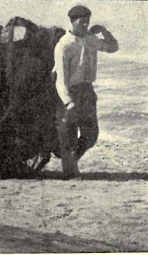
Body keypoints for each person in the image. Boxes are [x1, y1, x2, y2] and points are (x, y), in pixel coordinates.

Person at [52, 5, 118, 178]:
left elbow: (113, 47)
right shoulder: (63, 46)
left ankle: (71, 162)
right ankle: (70, 173)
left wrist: (103, 31)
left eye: (87, 21)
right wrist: (68, 102)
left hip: (87, 91)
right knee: (69, 137)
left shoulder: (91, 39)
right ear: (72, 21)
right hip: (68, 92)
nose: (85, 25)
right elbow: (60, 80)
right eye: (82, 22)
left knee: (91, 135)